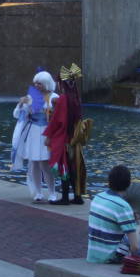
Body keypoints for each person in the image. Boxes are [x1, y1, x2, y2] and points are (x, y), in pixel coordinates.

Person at [44, 63, 90, 205]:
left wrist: (48, 136)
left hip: (65, 139)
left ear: (62, 83)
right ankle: (77, 196)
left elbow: (58, 121)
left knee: (64, 166)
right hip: (75, 139)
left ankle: (64, 197)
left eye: (59, 82)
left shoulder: (64, 99)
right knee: (74, 167)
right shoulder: (75, 98)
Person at [11, 71, 59, 203]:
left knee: (46, 164)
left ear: (47, 83)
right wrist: (21, 104)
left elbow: (59, 117)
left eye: (40, 83)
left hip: (46, 132)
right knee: (34, 163)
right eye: (36, 83)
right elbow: (16, 115)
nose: (37, 85)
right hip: (33, 132)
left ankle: (52, 192)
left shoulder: (54, 97)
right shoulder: (30, 96)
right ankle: (38, 192)